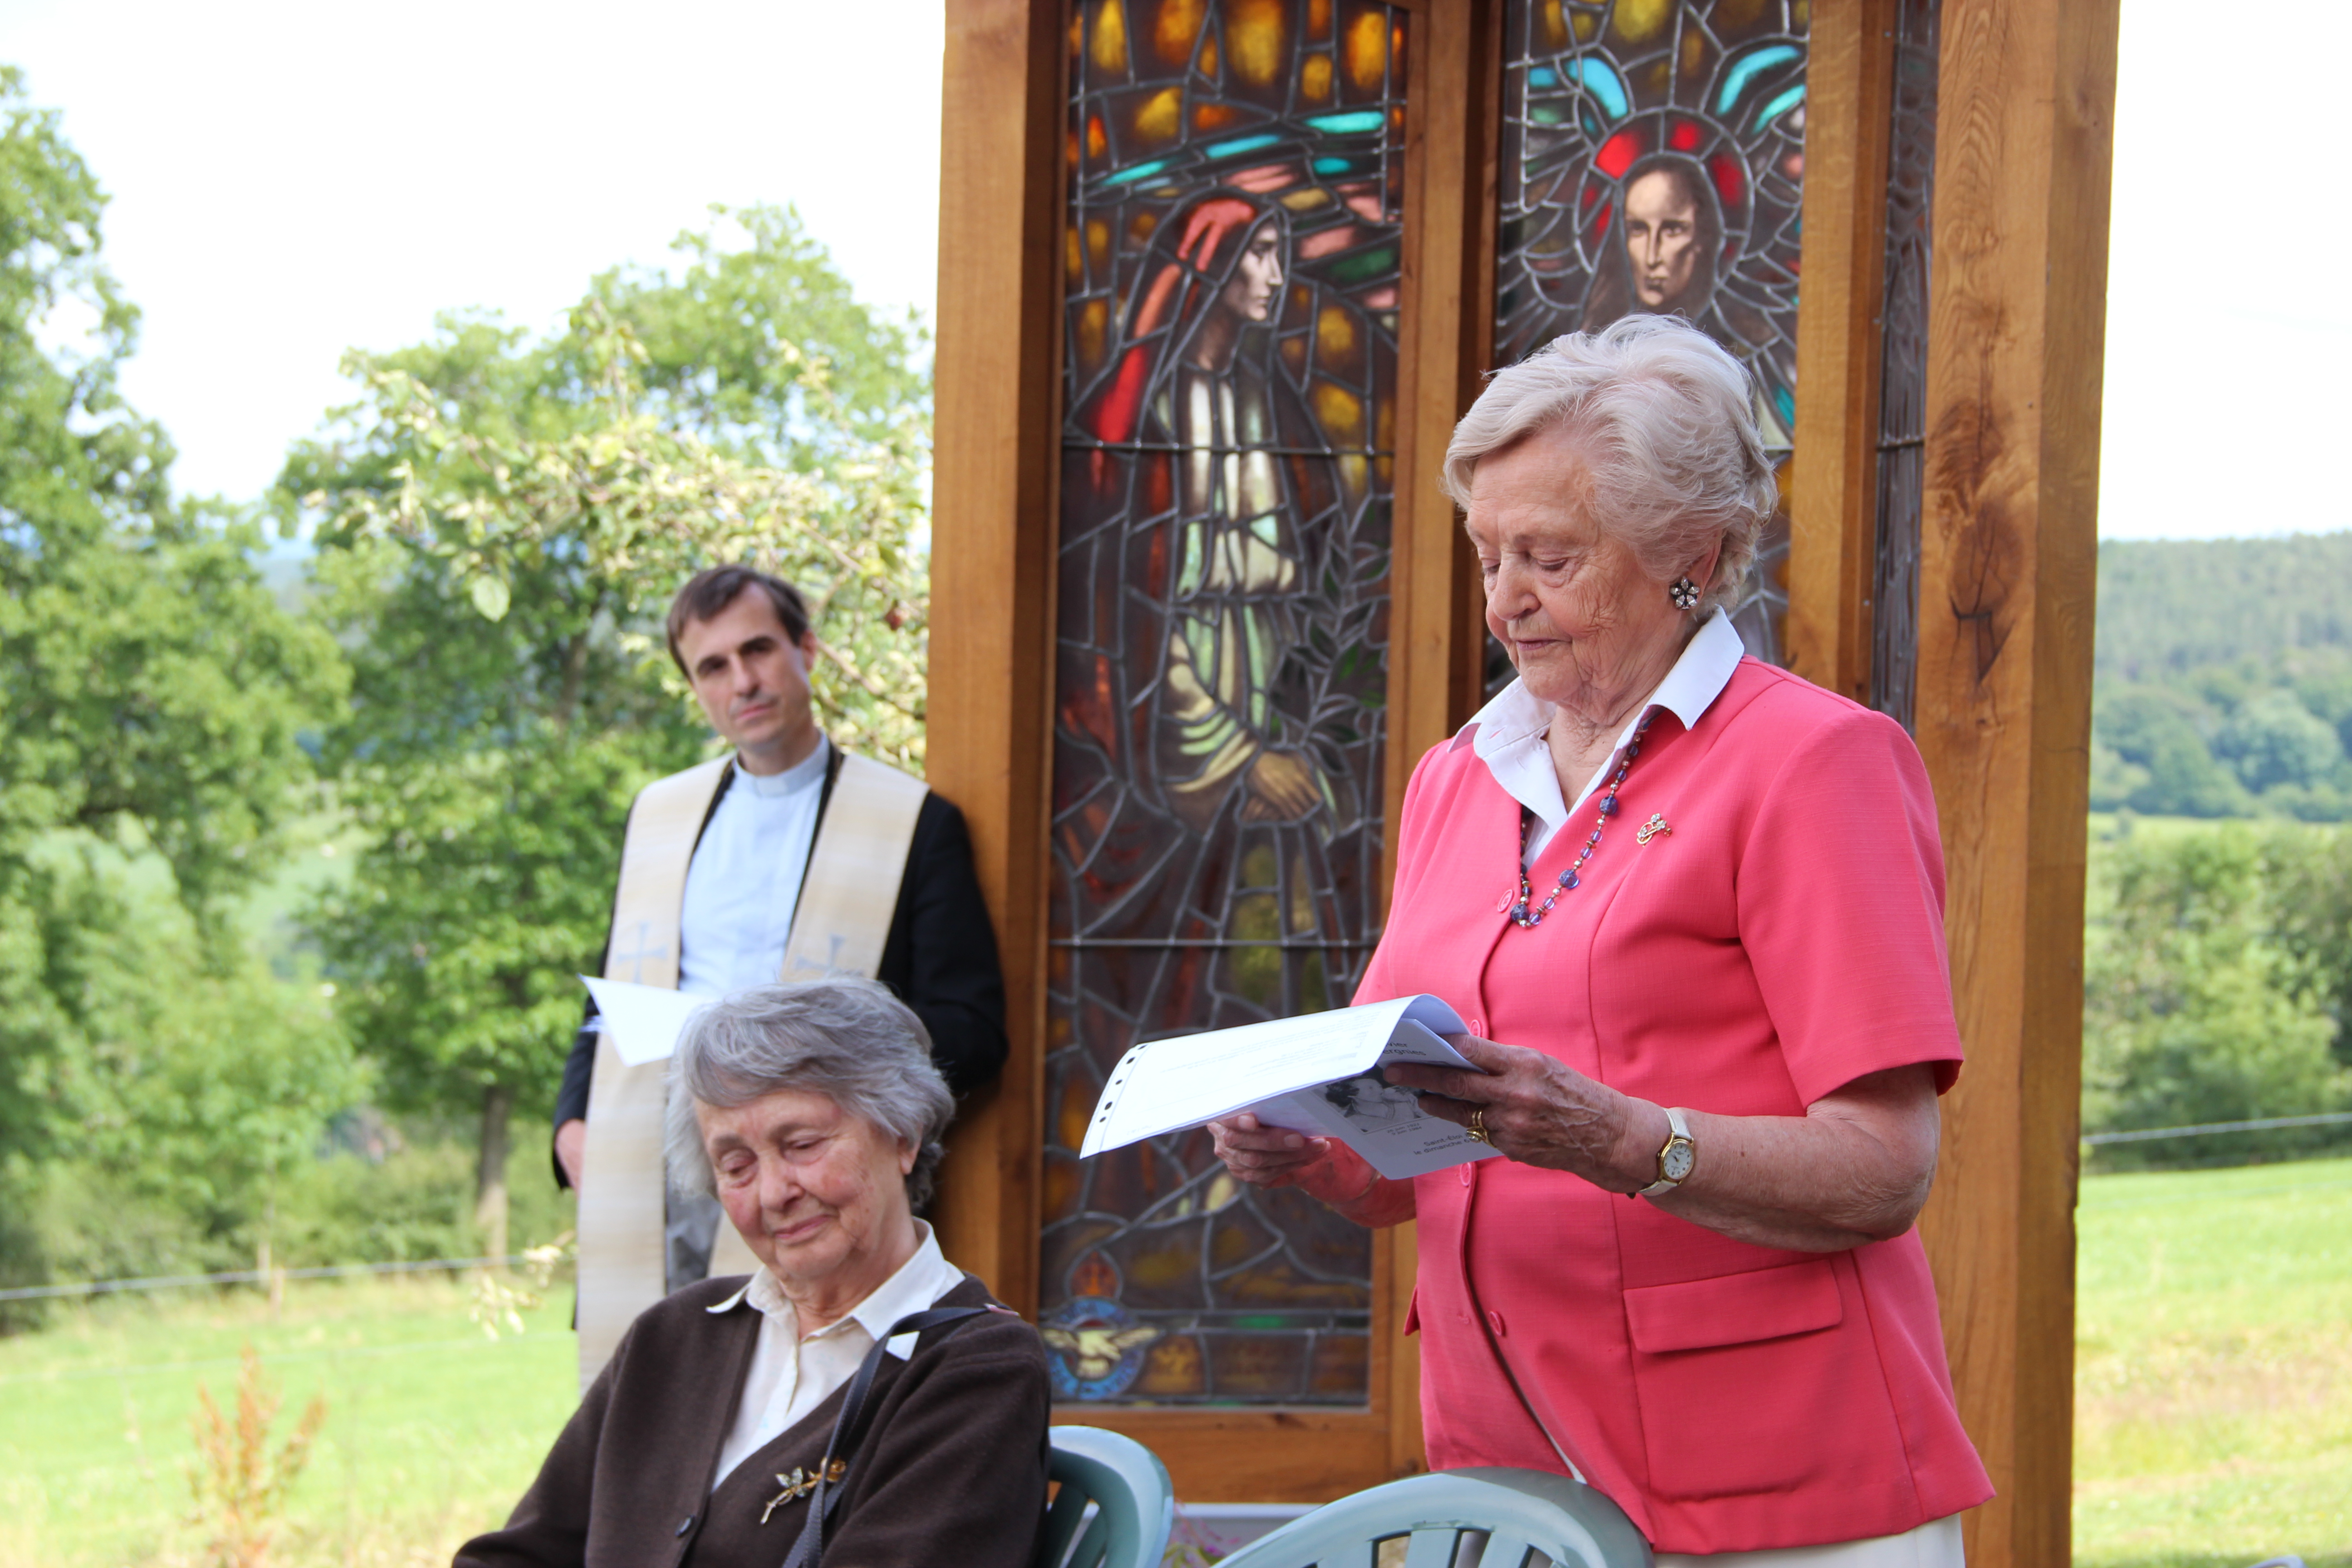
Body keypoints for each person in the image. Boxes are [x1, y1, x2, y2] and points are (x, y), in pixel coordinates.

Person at [1206, 315, 1994, 1562]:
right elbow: (1410, 1149)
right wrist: (1313, 1142)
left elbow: (1883, 1171)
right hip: (1509, 1475)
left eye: (1550, 558)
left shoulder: (1816, 764)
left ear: (1692, 555)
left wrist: (1621, 1139)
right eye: (1487, 556)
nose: (1502, 602)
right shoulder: (1457, 776)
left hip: (1773, 1477)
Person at [554, 565, 1007, 1385]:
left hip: (805, 1166)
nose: (743, 681)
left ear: (806, 650)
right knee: (649, 1396)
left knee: (777, 1402)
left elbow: (973, 1026)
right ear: (695, 687)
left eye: (759, 650)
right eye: (713, 666)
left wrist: (843, 1068)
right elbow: (620, 983)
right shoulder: (659, 816)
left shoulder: (911, 822)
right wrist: (569, 1122)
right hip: (654, 1149)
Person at [460, 981, 1049, 1568]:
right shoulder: (674, 1334)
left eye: (802, 1144)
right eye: (736, 1165)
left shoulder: (977, 1370)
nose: (772, 1193)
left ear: (903, 1135)